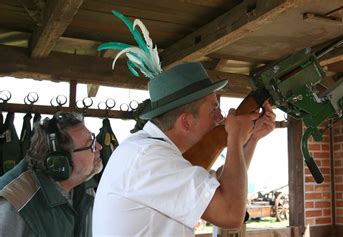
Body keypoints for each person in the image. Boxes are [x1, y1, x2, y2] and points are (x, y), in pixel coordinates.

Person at [93, 62, 276, 236]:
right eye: (214, 110)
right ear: (187, 121)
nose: (220, 118)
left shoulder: (147, 150)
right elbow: (230, 213)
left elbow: (221, 186)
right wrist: (235, 138)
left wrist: (251, 140)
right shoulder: (149, 158)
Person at [0, 112, 103, 237]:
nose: (99, 147)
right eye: (90, 145)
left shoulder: (85, 188)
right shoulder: (14, 204)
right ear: (60, 162)